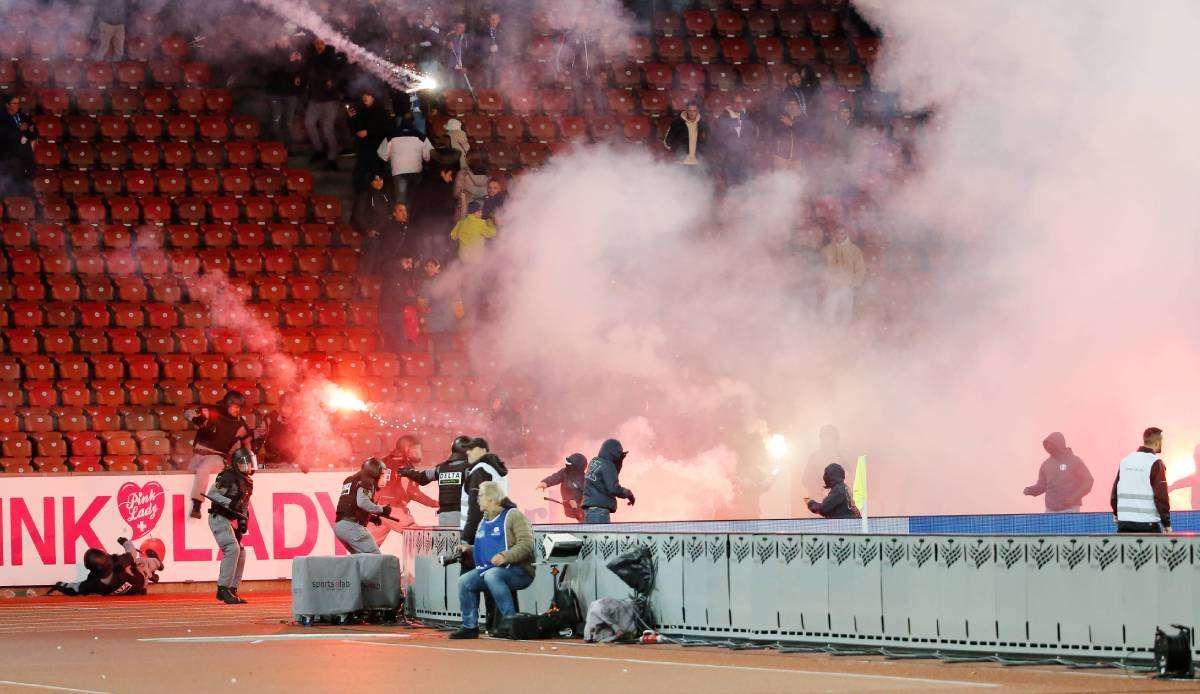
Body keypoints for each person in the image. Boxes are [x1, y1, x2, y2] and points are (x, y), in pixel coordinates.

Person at [450, 481, 535, 639]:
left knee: (492, 575)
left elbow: (526, 544)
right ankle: (469, 626)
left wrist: (506, 556)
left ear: (491, 498)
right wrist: (469, 549)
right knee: (465, 581)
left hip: (520, 571)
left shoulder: (513, 515)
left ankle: (511, 622)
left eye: (480, 495)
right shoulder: (483, 522)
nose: (477, 499)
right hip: (494, 570)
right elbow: (487, 549)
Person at [184, 391, 253, 519]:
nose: (238, 410)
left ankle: (197, 505)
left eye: (239, 407)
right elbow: (188, 412)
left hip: (217, 457)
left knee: (203, 469)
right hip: (197, 455)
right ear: (228, 404)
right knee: (186, 474)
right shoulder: (211, 412)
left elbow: (247, 441)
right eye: (236, 406)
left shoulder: (239, 423)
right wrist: (196, 418)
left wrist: (248, 460)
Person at [370, 436, 439, 548]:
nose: (419, 453)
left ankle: (357, 565)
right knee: (422, 538)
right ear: (407, 449)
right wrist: (434, 503)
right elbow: (412, 492)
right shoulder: (405, 467)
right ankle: (436, 564)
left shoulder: (381, 462)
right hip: (393, 509)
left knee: (368, 547)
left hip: (374, 509)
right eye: (416, 450)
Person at [206, 447, 255, 604]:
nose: (247, 467)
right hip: (219, 517)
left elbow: (244, 505)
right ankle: (223, 588)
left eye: (249, 463)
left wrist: (242, 520)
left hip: (229, 518)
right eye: (244, 464)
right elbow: (212, 494)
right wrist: (230, 504)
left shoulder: (248, 482)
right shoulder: (227, 476)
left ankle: (232, 589)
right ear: (236, 464)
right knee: (232, 548)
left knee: (241, 552)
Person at [48, 537, 163, 597]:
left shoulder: (93, 583)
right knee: (141, 562)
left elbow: (75, 588)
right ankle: (153, 570)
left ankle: (149, 577)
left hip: (132, 591)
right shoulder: (118, 563)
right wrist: (125, 542)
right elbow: (132, 552)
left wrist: (59, 586)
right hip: (141, 579)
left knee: (135, 567)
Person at [399, 434, 473, 527]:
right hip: (463, 516)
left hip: (444, 516)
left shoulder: (441, 468)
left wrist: (407, 472)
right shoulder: (469, 469)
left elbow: (422, 478)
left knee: (448, 540)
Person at [1111, 427, 1171, 533]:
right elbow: (1161, 496)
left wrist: (1116, 512)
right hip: (1148, 525)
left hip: (1124, 524)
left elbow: (1115, 493)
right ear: (1157, 443)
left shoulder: (1126, 460)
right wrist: (1166, 523)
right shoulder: (1156, 463)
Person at [350, 90, 392, 227]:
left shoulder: (381, 113)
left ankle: (374, 217)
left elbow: (386, 129)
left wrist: (369, 132)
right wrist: (352, 118)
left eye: (367, 95)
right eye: (363, 96)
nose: (364, 98)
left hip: (376, 153)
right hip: (363, 152)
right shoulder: (362, 112)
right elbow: (355, 128)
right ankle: (360, 217)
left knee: (375, 182)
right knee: (361, 182)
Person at [1023, 432, 1094, 512]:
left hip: (1070, 509)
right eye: (1045, 445)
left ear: (1057, 443)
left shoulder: (1074, 461)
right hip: (1050, 510)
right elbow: (1042, 485)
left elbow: (1088, 480)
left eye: (1049, 444)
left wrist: (1073, 498)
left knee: (1070, 525)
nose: (1047, 447)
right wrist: (1031, 490)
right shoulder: (1046, 465)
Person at [303, 37, 346, 169]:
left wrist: (332, 81)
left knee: (327, 129)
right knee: (309, 124)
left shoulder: (332, 57)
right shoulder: (311, 57)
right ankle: (319, 150)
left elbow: (341, 72)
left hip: (330, 99)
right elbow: (306, 72)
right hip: (315, 98)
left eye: (321, 43)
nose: (319, 45)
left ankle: (332, 158)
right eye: (316, 43)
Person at [334, 457, 392, 554]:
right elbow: (362, 502)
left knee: (361, 559)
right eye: (382, 474)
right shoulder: (367, 481)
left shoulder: (353, 479)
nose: (384, 477)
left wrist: (370, 518)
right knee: (375, 557)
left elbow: (351, 506)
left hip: (340, 526)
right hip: (351, 527)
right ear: (374, 472)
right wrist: (382, 509)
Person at [459, 438, 509, 544]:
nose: (468, 452)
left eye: (472, 448)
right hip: (495, 527)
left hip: (477, 532)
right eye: (467, 449)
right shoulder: (495, 470)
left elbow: (476, 508)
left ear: (483, 450)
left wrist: (467, 538)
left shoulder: (480, 471)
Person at [377, 120, 432, 205]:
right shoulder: (421, 136)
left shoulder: (391, 136)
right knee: (416, 200)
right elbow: (429, 156)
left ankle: (401, 216)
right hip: (416, 171)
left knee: (401, 203)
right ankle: (413, 216)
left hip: (398, 173)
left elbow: (382, 155)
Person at [582, 439, 635, 524]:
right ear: (614, 452)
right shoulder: (608, 465)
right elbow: (613, 488)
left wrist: (618, 462)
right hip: (599, 512)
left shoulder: (594, 461)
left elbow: (607, 478)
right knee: (600, 536)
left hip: (589, 510)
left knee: (592, 536)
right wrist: (628, 494)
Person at [820, 228, 866, 325]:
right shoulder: (826, 250)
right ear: (834, 234)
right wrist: (824, 281)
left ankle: (844, 333)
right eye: (837, 233)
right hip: (832, 286)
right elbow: (821, 268)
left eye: (842, 233)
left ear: (846, 234)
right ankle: (828, 332)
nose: (839, 235)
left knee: (846, 311)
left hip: (847, 285)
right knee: (829, 310)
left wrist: (856, 282)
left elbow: (860, 268)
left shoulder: (854, 250)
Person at [264, 38, 305, 146]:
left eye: (286, 38)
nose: (285, 40)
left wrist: (299, 62)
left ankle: (287, 148)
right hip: (275, 93)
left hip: (290, 93)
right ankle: (274, 147)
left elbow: (298, 73)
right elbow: (271, 70)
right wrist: (289, 62)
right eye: (282, 38)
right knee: (276, 120)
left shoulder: (294, 51)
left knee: (289, 122)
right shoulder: (271, 53)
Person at [796, 425, 845, 507]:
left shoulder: (842, 457)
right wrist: (821, 491)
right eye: (825, 437)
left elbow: (851, 478)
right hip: (821, 505)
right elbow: (806, 480)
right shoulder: (815, 457)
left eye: (831, 437)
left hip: (839, 506)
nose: (828, 441)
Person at [713, 94, 757, 185]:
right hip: (730, 159)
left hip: (745, 158)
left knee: (745, 185)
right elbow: (719, 139)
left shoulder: (748, 118)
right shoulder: (723, 119)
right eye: (736, 102)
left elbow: (753, 135)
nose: (738, 105)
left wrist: (749, 150)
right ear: (731, 104)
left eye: (740, 103)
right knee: (732, 186)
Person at [0, 94, 35, 196]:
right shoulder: (2, 118)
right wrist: (19, 130)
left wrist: (28, 130)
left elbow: (34, 133)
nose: (17, 105)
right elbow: (3, 135)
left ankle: (24, 202)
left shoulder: (24, 116)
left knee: (26, 182)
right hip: (10, 156)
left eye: (18, 103)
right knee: (11, 184)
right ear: (7, 105)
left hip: (25, 155)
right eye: (14, 103)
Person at [538, 453, 588, 522]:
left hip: (580, 513)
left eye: (570, 464)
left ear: (576, 467)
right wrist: (545, 482)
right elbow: (555, 477)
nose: (567, 466)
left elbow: (587, 499)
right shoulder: (564, 472)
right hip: (568, 512)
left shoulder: (585, 480)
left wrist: (577, 506)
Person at [663, 101, 708, 167]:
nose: (692, 113)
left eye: (694, 111)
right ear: (686, 110)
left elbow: (707, 143)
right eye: (690, 110)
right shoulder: (676, 124)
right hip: (680, 162)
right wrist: (679, 144)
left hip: (698, 163)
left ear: (697, 111)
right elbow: (667, 142)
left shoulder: (703, 126)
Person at [1167, 445, 1200, 510]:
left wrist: (1172, 487)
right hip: (1196, 512)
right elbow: (1186, 481)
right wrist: (1171, 487)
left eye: (1198, 459)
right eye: (1196, 459)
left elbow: (1188, 481)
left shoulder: (1195, 478)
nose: (1197, 462)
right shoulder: (1195, 477)